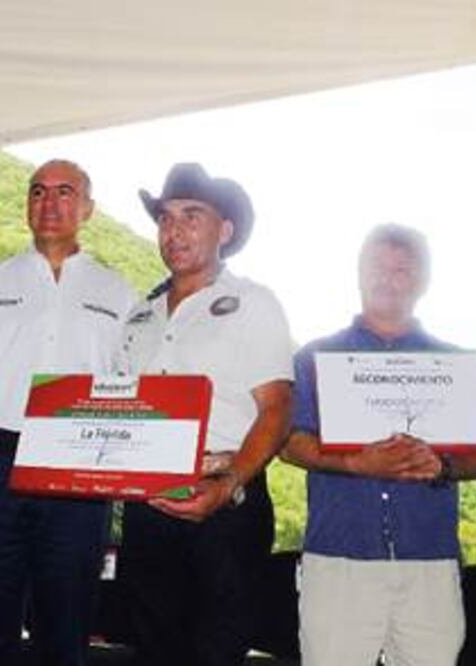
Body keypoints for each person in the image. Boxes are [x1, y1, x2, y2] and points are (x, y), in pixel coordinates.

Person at [0, 159, 136, 666]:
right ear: (26, 204)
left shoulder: (120, 294)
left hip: (79, 472)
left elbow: (130, 389)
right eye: (38, 191)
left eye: (65, 192)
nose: (50, 203)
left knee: (65, 624)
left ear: (87, 208)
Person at [280, 224, 476, 666]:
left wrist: (442, 466)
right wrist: (356, 463)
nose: (388, 277)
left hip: (429, 556)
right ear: (359, 273)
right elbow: (289, 444)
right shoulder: (313, 359)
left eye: (402, 269)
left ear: (423, 281)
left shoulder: (454, 363)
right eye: (377, 266)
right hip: (339, 554)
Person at [115, 162, 293, 666]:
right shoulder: (139, 313)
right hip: (147, 509)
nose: (174, 231)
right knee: (152, 651)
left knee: (217, 653)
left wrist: (230, 482)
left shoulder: (254, 304)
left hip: (226, 506)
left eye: (192, 216)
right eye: (166, 218)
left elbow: (277, 409)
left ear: (225, 230)